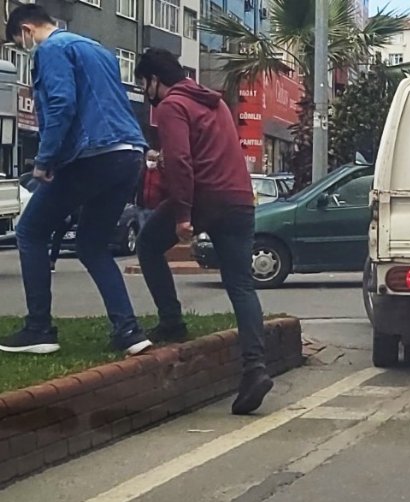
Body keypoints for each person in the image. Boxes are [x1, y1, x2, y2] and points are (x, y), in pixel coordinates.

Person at [0, 5, 152, 356]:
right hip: (129, 154)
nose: (24, 49)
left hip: (93, 153)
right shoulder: (97, 48)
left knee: (30, 232)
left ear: (26, 29)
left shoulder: (52, 49)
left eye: (19, 43)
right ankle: (128, 331)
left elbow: (61, 104)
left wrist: (45, 159)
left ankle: (39, 328)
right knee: (92, 244)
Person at [134, 48, 271, 415]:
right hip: (240, 196)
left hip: (206, 196)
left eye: (143, 83)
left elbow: (181, 161)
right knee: (241, 285)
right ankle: (255, 369)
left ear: (154, 80)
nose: (144, 91)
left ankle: (172, 321)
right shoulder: (213, 100)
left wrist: (183, 215)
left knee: (148, 245)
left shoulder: (172, 106)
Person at [136, 149, 166, 228]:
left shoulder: (161, 173)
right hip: (142, 207)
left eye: (153, 160)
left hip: (156, 209)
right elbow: (138, 187)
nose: (151, 162)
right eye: (149, 159)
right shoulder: (142, 172)